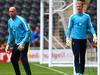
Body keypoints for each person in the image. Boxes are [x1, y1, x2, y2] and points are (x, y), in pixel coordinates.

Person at [66, 1, 97, 75]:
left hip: (83, 40)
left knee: (82, 57)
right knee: (76, 55)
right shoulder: (72, 17)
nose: (78, 8)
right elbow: (69, 28)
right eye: (77, 6)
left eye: (80, 6)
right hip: (75, 40)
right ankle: (77, 72)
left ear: (82, 7)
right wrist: (67, 38)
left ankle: (81, 72)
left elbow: (90, 27)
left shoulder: (86, 17)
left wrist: (94, 35)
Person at [5, 7, 31, 75]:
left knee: (23, 58)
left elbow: (28, 31)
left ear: (15, 12)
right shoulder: (9, 21)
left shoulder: (21, 19)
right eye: (10, 11)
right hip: (17, 43)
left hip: (24, 42)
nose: (11, 13)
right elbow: (10, 34)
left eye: (12, 11)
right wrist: (8, 44)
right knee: (13, 59)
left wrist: (23, 42)